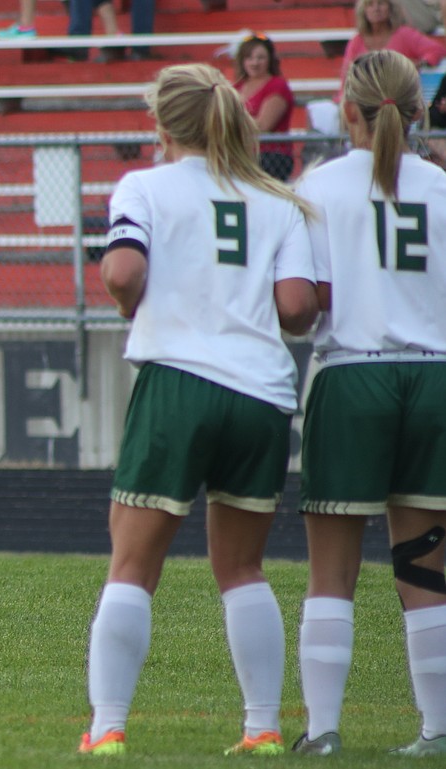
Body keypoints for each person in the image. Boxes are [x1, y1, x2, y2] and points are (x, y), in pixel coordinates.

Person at [79, 63, 317, 757]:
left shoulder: (144, 186)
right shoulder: (276, 200)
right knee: (242, 569)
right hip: (262, 394)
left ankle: (109, 727)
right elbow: (298, 308)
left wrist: (134, 306)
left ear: (162, 125)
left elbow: (123, 272)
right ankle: (264, 727)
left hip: (179, 382)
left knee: (132, 565)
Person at [292, 49, 446, 758]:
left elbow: (303, 305)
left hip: (353, 375)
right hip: (435, 377)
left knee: (333, 568)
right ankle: (436, 728)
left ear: (347, 109)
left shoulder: (318, 186)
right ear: (419, 109)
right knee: (424, 564)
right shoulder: (442, 188)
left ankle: (322, 731)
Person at [339, 0, 445, 94]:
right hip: (366, 99)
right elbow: (346, 75)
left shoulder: (404, 34)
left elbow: (438, 50)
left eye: (381, 3)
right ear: (364, 11)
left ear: (391, 8)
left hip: (401, 98)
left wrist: (420, 63)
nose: (376, 9)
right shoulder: (357, 40)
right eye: (370, 4)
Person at [232, 34, 296, 181]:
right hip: (241, 153)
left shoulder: (277, 85)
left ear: (270, 60)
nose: (255, 62)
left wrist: (230, 123)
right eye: (249, 58)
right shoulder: (236, 87)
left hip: (271, 156)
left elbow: (263, 125)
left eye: (260, 57)